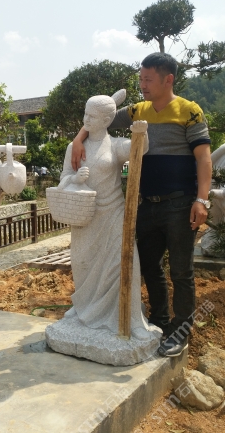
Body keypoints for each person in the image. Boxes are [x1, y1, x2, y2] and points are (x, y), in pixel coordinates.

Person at [71, 53, 212, 357]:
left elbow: (203, 158)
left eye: (148, 79)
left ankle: (181, 329)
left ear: (168, 79)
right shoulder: (137, 111)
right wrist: (79, 139)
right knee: (148, 266)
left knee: (181, 270)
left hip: (179, 203)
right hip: (146, 204)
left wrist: (202, 200)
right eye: (141, 79)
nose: (142, 85)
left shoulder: (189, 111)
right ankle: (160, 321)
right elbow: (100, 118)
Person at [56, 91, 159, 347]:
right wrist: (74, 179)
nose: (86, 120)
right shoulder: (74, 147)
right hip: (85, 216)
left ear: (106, 120)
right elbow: (63, 179)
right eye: (85, 114)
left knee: (125, 264)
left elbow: (140, 149)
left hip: (112, 214)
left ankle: (133, 320)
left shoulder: (115, 145)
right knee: (82, 263)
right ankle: (83, 308)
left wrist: (141, 133)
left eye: (92, 116)